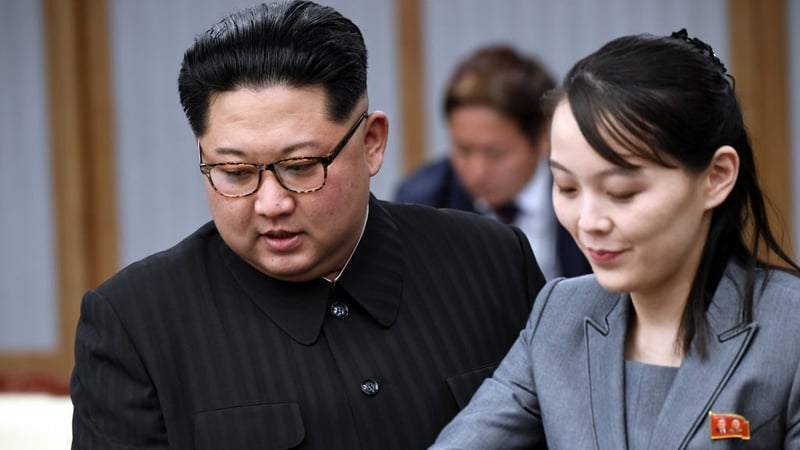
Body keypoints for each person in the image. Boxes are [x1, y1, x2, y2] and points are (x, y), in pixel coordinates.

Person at [69, 1, 546, 449]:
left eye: (300, 166)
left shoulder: (493, 262)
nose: (269, 203)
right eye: (235, 173)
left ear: (372, 143)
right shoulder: (134, 323)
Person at [430, 29, 800, 449]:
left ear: (716, 177)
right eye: (567, 188)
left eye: (622, 193)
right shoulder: (560, 315)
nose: (589, 221)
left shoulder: (789, 331)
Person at [395, 45, 590, 280]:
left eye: (495, 154)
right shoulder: (423, 203)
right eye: (463, 150)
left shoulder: (587, 192)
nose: (477, 172)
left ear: (543, 138)